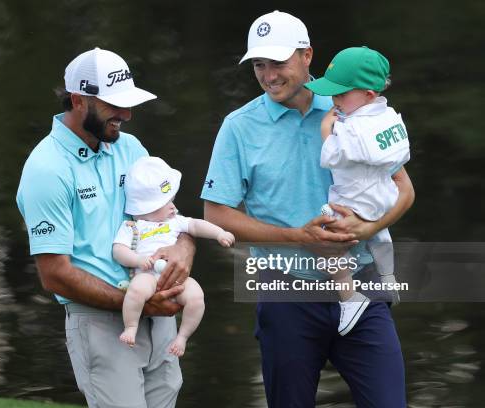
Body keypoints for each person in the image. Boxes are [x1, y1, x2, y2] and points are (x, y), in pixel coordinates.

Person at [201, 11, 414, 408]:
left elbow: (404, 189)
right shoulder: (238, 127)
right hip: (285, 294)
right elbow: (217, 215)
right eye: (259, 66)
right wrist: (299, 236)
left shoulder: (350, 106)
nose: (268, 76)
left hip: (362, 284)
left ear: (306, 56)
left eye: (277, 63)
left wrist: (367, 229)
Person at [16, 48, 195, 408]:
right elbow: (55, 275)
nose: (127, 115)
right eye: (114, 105)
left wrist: (183, 248)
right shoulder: (46, 169)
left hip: (157, 312)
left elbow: (172, 217)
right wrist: (138, 303)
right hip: (100, 322)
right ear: (79, 100)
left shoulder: (130, 148)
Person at [306, 46, 410, 334]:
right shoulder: (388, 116)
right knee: (380, 232)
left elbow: (330, 158)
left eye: (341, 94)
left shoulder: (352, 127)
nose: (334, 100)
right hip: (384, 196)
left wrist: (328, 128)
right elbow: (401, 157)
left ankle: (350, 297)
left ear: (368, 95)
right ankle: (388, 276)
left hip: (355, 202)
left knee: (328, 239)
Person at [113, 156, 235, 356]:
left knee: (196, 297)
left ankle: (182, 336)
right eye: (165, 202)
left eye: (172, 200)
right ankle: (131, 327)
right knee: (136, 291)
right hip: (148, 275)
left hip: (177, 278)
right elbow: (119, 250)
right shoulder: (133, 227)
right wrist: (138, 260)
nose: (173, 206)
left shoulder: (175, 221)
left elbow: (196, 225)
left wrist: (219, 233)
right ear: (145, 207)